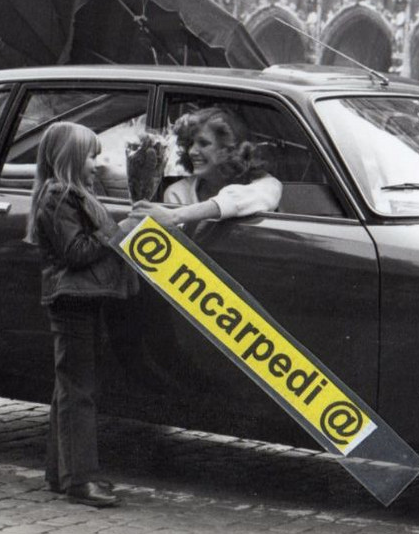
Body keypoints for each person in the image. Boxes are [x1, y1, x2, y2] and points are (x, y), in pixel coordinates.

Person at [26, 123, 137, 508]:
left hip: (77, 299)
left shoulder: (66, 195)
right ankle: (81, 481)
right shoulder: (60, 196)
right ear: (71, 159)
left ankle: (61, 473)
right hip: (72, 298)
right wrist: (119, 231)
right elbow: (76, 252)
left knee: (69, 389)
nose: (97, 163)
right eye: (91, 155)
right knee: (79, 391)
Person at [138, 106, 282, 227]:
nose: (192, 151)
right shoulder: (177, 192)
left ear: (228, 149)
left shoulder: (266, 185)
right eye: (190, 144)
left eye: (204, 143)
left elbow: (235, 199)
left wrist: (175, 216)